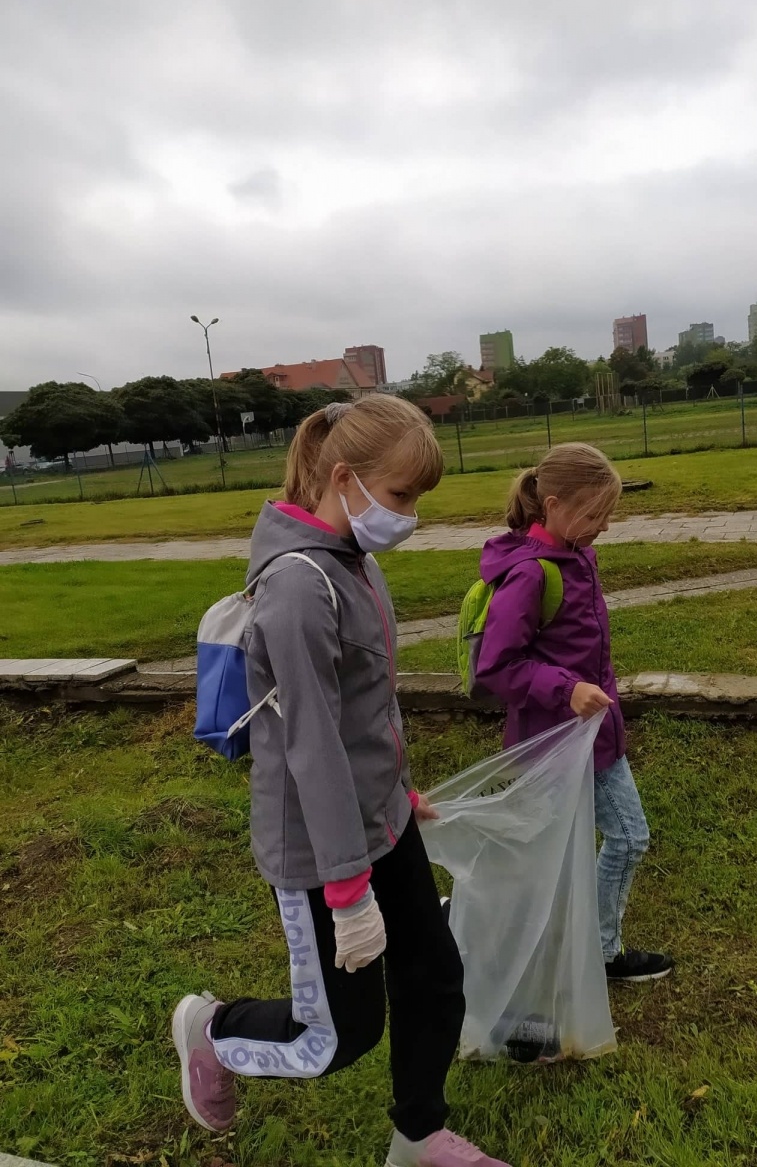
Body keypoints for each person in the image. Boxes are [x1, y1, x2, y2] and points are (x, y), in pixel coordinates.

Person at [173, 395, 511, 1167]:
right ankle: (214, 1031)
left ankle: (418, 1139)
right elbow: (311, 748)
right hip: (322, 854)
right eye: (400, 496)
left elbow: (367, 708)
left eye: (418, 498)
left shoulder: (354, 562)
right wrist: (347, 891)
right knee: (335, 1038)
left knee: (434, 974)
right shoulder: (298, 590)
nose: (409, 515)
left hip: (379, 821)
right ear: (346, 478)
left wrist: (399, 789)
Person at [474, 443, 673, 984]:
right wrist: (567, 690)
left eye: (608, 516)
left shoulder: (578, 553)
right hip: (554, 741)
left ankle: (584, 945)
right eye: (595, 515)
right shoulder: (531, 574)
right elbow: (496, 666)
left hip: (595, 734)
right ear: (554, 504)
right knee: (605, 842)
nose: (603, 527)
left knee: (568, 848)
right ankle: (587, 949)